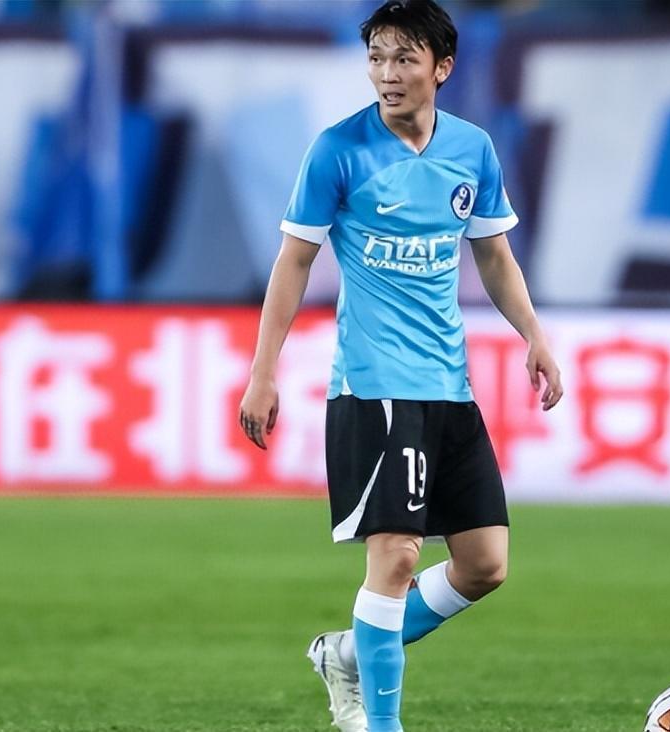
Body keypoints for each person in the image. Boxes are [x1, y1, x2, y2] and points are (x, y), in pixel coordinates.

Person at [237, 2, 563, 730]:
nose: (387, 74)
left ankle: (348, 652)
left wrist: (533, 335)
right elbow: (294, 261)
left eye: (404, 59)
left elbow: (494, 254)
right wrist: (264, 371)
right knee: (396, 558)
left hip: (450, 385)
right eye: (377, 58)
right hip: (374, 385)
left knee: (485, 564)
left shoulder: (472, 149)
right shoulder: (338, 150)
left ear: (441, 68)